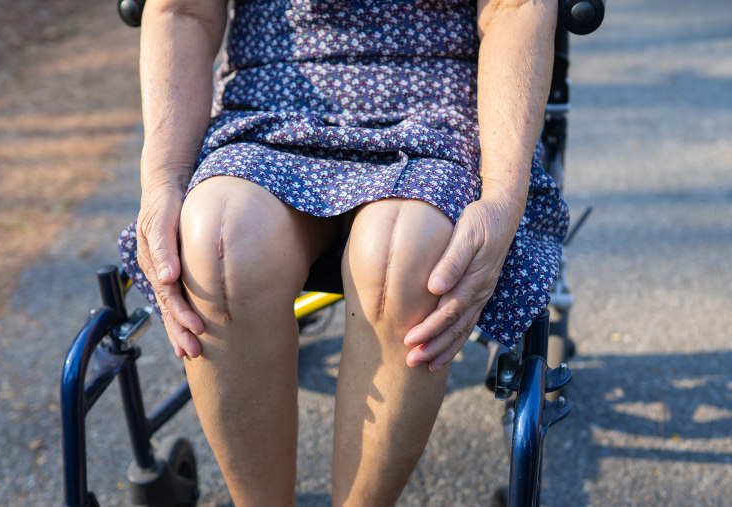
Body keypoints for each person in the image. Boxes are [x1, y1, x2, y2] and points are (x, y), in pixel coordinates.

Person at [117, 0, 568, 504]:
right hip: (270, 105)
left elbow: (514, 7)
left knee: (408, 257)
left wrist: (503, 198)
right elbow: (183, 11)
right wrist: (163, 180)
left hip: (439, 112)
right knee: (219, 241)